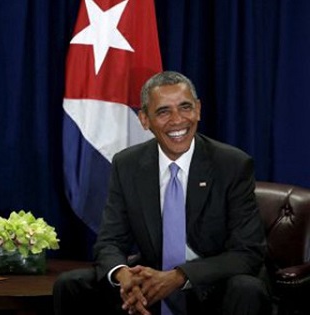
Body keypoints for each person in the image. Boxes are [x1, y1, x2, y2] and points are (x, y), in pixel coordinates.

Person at [53, 71, 272, 315]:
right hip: (150, 283)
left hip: (211, 284)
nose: (178, 120)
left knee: (246, 289)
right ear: (144, 119)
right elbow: (110, 241)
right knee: (71, 285)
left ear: (198, 110)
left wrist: (179, 277)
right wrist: (124, 276)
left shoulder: (232, 164)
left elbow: (248, 252)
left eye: (185, 107)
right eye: (164, 111)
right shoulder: (128, 164)